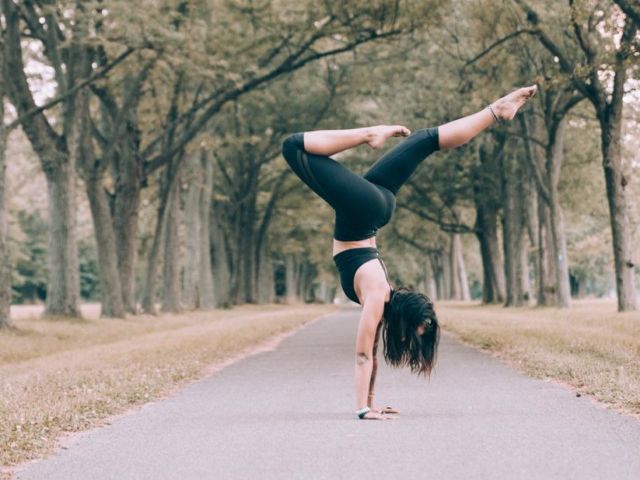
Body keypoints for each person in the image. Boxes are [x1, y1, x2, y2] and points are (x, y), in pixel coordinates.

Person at [281, 85, 537, 420]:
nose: (404, 337)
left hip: (376, 205)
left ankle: (495, 110)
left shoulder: (380, 299)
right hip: (363, 212)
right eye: (410, 331)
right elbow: (361, 356)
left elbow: (369, 352)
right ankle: (368, 133)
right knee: (292, 147)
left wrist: (370, 404)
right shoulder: (376, 296)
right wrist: (361, 409)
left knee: (426, 140)